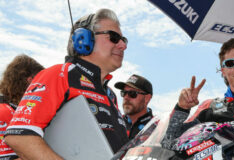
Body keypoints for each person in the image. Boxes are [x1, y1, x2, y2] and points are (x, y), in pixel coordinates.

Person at [4, 8, 128, 159]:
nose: (123, 45)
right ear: (84, 39)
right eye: (114, 37)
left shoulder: (110, 94)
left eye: (124, 40)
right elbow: (20, 137)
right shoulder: (60, 75)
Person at [0, 54, 44, 160]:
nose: (44, 87)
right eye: (42, 82)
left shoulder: (18, 110)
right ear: (30, 81)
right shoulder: (4, 112)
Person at [114, 74, 153, 139]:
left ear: (147, 98)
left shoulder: (158, 128)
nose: (126, 97)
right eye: (123, 93)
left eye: (132, 93)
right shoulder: (114, 122)